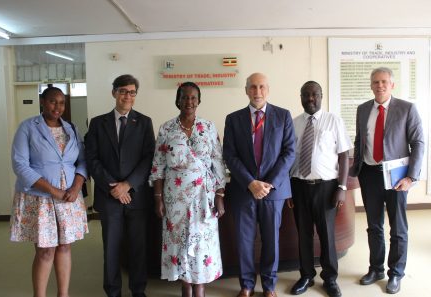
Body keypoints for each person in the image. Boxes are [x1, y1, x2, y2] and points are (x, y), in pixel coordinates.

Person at [350, 67, 424, 294]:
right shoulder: (363, 110)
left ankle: (396, 273)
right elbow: (360, 140)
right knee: (374, 226)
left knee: (398, 228)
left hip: (397, 176)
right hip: (370, 174)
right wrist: (358, 169)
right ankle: (376, 268)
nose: (379, 85)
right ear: (371, 85)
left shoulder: (407, 108)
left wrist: (411, 177)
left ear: (392, 85)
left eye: (384, 82)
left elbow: (419, 143)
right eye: (375, 82)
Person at [149, 82, 226, 297]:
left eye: (193, 98)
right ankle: (185, 287)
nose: (189, 102)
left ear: (199, 101)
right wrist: (158, 198)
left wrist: (220, 195)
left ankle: (199, 287)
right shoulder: (166, 129)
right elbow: (158, 165)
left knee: (202, 244)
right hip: (176, 199)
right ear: (178, 100)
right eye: (184, 97)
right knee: (179, 242)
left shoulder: (209, 127)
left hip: (204, 197)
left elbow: (218, 162)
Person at [10, 86, 88, 297]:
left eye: (62, 102)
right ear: (42, 102)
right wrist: (53, 190)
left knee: (64, 247)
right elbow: (20, 165)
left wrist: (77, 185)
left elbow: (83, 160)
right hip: (41, 197)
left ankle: (63, 294)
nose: (57, 107)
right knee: (45, 251)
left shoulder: (71, 128)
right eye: (53, 101)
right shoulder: (28, 127)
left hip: (68, 198)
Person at [223, 73, 295, 297]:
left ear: (268, 89)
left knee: (271, 240)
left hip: (273, 192)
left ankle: (269, 285)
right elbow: (230, 155)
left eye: (261, 87)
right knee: (244, 241)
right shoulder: (233, 119)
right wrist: (251, 183)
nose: (257, 91)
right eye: (252, 87)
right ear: (246, 90)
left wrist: (268, 183)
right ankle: (246, 285)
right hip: (244, 191)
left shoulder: (283, 116)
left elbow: (289, 152)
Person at [85, 74, 155, 297]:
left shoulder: (144, 122)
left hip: (136, 196)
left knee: (138, 248)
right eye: (123, 91)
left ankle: (138, 290)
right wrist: (113, 187)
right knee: (111, 249)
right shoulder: (98, 123)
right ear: (114, 92)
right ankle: (113, 291)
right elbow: (92, 159)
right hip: (109, 197)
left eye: (132, 92)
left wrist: (128, 185)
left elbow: (149, 158)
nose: (127, 96)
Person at [288, 81, 352, 297]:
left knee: (326, 235)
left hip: (326, 187)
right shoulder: (293, 123)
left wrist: (342, 187)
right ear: (300, 97)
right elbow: (288, 158)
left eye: (314, 94)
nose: (310, 99)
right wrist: (289, 189)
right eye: (306, 95)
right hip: (299, 186)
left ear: (321, 96)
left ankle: (330, 279)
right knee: (303, 234)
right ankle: (306, 275)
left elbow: (344, 155)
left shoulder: (334, 121)